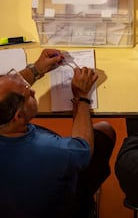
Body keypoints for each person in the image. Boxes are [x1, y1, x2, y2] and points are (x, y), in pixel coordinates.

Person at [0, 49, 116, 218]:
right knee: (105, 131)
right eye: (28, 95)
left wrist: (36, 69)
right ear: (19, 116)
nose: (32, 91)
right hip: (58, 208)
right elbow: (83, 149)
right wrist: (81, 96)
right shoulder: (50, 149)